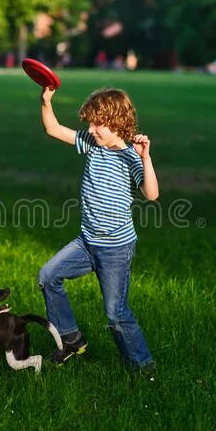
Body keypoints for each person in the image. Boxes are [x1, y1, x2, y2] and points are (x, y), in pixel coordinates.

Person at [37, 86, 159, 376]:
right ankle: (71, 340)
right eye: (89, 123)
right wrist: (45, 100)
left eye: (97, 123)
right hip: (87, 242)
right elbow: (53, 129)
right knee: (47, 276)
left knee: (116, 314)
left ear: (116, 123)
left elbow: (151, 194)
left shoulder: (131, 157)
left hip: (116, 249)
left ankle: (143, 365)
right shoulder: (92, 144)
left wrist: (146, 157)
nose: (91, 129)